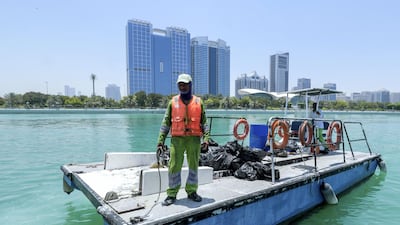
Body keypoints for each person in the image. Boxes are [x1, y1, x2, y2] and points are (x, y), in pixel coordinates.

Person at [157, 73, 210, 206]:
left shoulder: (199, 102)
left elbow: (204, 123)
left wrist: (206, 139)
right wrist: (160, 141)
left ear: (190, 85)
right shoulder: (172, 102)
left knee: (193, 166)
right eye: (180, 84)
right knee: (174, 166)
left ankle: (192, 191)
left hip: (194, 139)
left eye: (185, 84)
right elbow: (165, 123)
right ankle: (172, 194)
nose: (182, 86)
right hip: (177, 139)